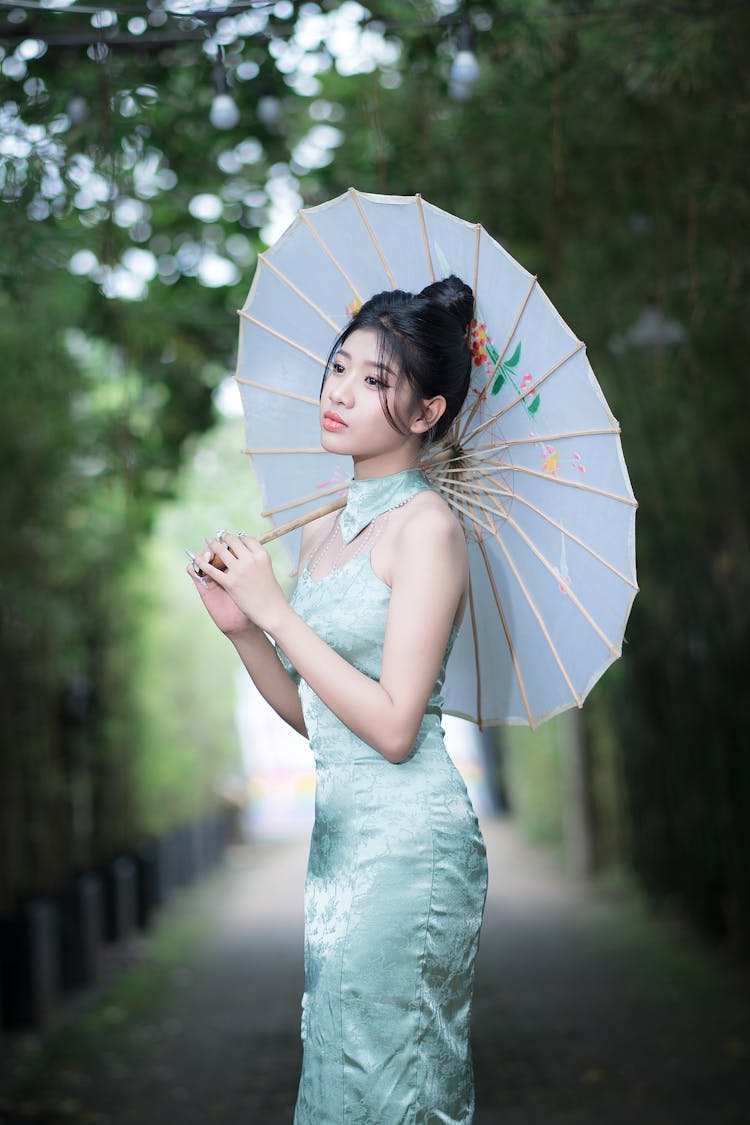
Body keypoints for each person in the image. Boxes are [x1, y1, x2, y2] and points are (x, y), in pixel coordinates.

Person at [188, 275, 488, 1124]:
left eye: (375, 381)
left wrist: (277, 608)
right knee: (341, 1075)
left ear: (427, 413)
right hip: (342, 844)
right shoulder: (322, 524)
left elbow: (394, 725)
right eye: (339, 366)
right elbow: (319, 718)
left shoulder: (428, 528)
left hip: (410, 849)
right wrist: (244, 629)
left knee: (398, 1084)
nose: (340, 391)